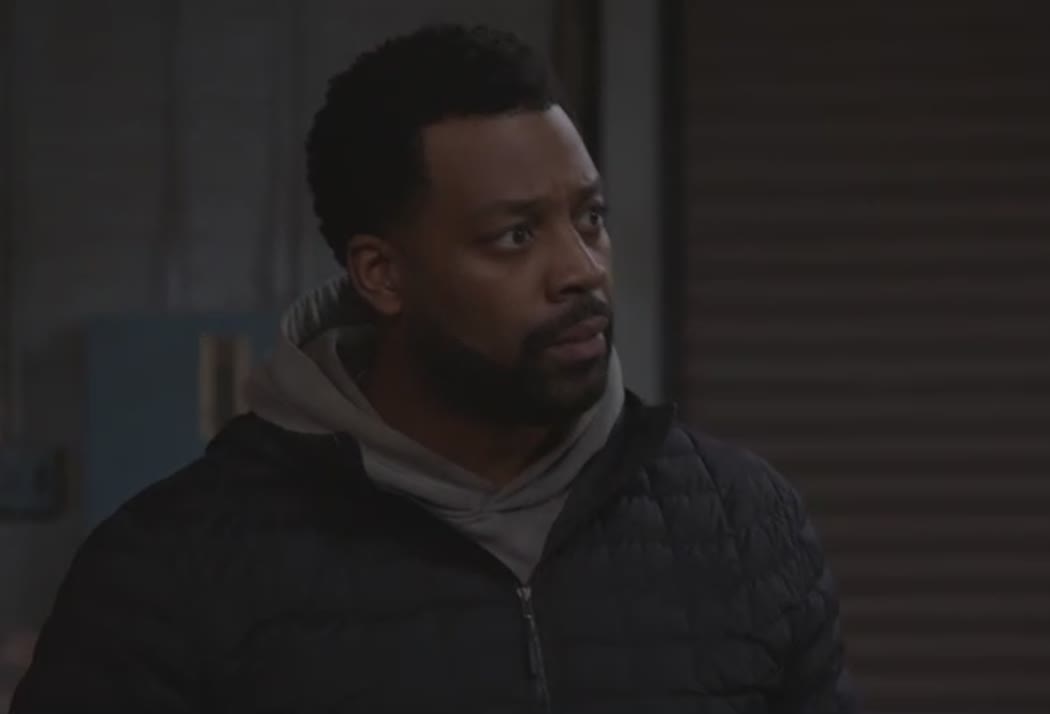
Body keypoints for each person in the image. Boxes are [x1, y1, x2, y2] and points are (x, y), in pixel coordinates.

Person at [11, 23, 855, 714]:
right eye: (515, 236)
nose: (581, 269)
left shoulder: (742, 524)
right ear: (382, 274)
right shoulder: (172, 574)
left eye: (590, 218)